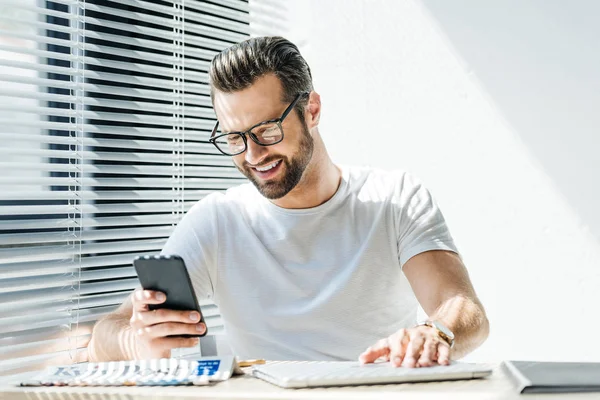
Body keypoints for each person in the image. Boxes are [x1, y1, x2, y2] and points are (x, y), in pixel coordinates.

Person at [88, 36, 489, 368]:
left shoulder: (394, 199)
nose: (252, 155)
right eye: (234, 138)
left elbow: (463, 308)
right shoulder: (217, 221)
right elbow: (108, 331)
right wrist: (134, 342)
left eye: (266, 130)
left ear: (311, 110)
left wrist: (436, 332)